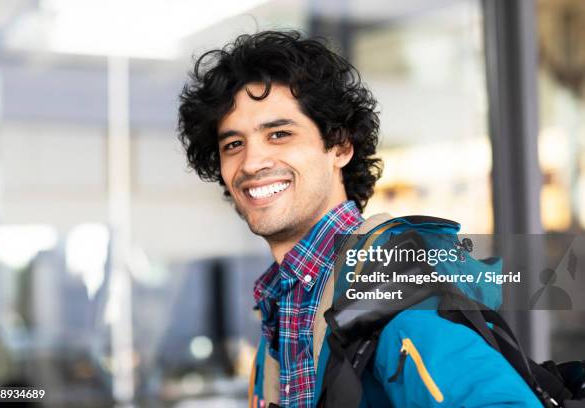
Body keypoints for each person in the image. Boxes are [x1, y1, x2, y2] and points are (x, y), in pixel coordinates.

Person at [177, 30, 541, 407]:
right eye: (233, 144)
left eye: (280, 134)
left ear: (340, 146)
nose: (251, 162)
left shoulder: (394, 285)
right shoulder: (285, 300)